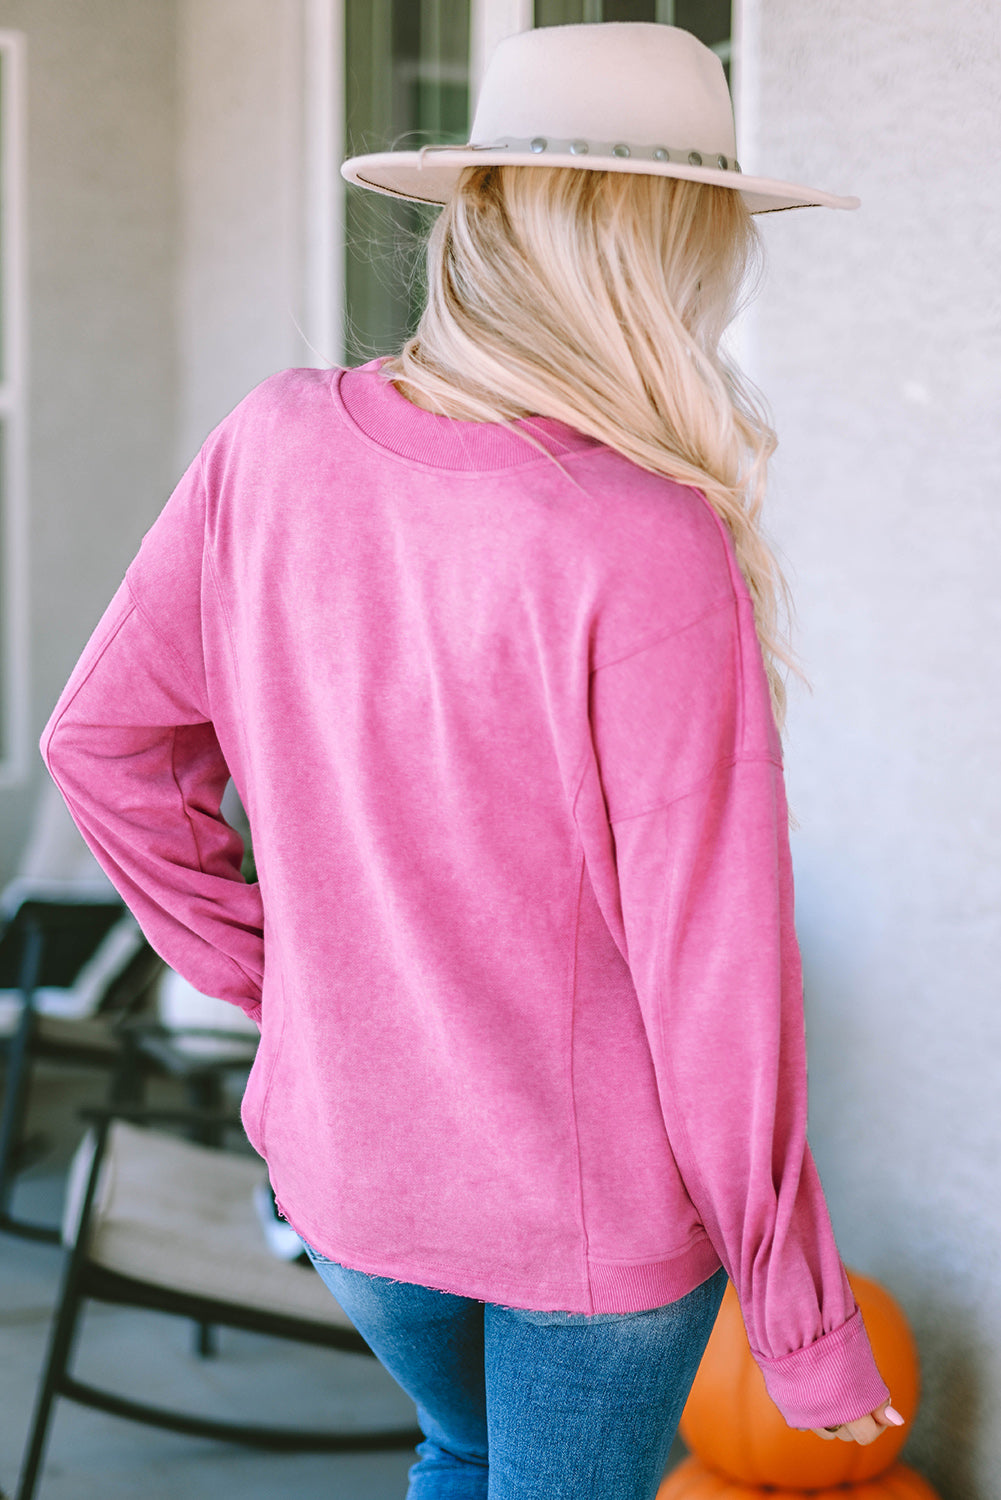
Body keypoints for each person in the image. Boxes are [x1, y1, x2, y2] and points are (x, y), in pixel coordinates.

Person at [41, 21, 903, 1500]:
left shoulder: (272, 442)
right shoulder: (642, 540)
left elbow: (104, 743)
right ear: (669, 251)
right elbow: (715, 971)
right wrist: (802, 1319)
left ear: (484, 218)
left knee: (458, 1449)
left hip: (349, 1178)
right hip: (590, 1229)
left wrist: (290, 987)